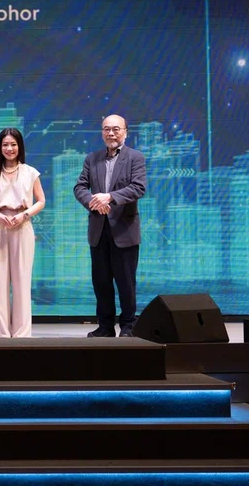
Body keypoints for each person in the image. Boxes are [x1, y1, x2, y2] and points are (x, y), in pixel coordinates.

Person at [73, 114, 147, 337]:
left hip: (124, 231)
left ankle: (128, 326)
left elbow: (138, 187)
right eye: (106, 129)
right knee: (101, 282)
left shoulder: (135, 157)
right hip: (98, 229)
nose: (111, 133)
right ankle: (105, 327)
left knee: (126, 283)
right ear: (102, 132)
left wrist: (110, 197)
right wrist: (94, 201)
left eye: (116, 129)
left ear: (126, 131)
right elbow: (80, 187)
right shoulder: (92, 159)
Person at [0, 128, 45, 338]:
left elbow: (41, 201)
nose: (9, 148)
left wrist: (24, 215)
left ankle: (22, 334)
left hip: (22, 226)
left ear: (20, 146)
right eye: (5, 145)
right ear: (0, 148)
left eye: (13, 144)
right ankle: (0, 334)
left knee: (21, 281)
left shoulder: (30, 172)